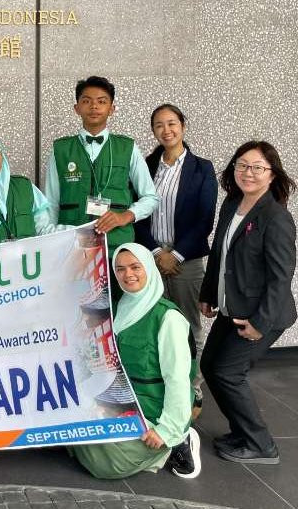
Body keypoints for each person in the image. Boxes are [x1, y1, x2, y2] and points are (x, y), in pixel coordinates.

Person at [198, 141, 297, 465]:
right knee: (211, 366)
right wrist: (209, 294)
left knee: (228, 372)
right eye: (242, 165)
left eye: (257, 167)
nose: (248, 173)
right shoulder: (232, 204)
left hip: (260, 314)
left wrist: (260, 323)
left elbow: (280, 278)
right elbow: (220, 254)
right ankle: (242, 432)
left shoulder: (276, 217)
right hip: (232, 307)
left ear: (272, 174)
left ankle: (260, 444)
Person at [70, 243, 201, 480]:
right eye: (120, 269)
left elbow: (178, 380)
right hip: (117, 403)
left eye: (135, 267)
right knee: (67, 428)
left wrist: (166, 429)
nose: (127, 274)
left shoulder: (167, 318)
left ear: (149, 268)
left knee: (109, 464)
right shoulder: (119, 309)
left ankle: (177, 440)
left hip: (151, 410)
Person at [133, 104, 218, 418]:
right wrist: (157, 253)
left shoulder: (202, 169)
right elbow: (138, 213)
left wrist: (176, 254)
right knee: (153, 323)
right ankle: (158, 387)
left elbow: (204, 219)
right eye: (159, 125)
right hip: (150, 256)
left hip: (187, 259)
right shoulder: (145, 165)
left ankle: (191, 390)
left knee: (188, 326)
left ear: (183, 126)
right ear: (153, 130)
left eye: (171, 123)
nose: (166, 130)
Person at [45, 76, 159, 255]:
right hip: (71, 247)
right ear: (77, 108)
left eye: (101, 101)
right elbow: (51, 202)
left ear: (112, 109)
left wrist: (124, 217)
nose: (94, 107)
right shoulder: (60, 149)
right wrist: (50, 243)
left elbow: (150, 197)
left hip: (116, 246)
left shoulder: (127, 147)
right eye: (86, 101)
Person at [0, 132, 54, 242]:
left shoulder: (24, 187)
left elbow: (44, 231)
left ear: (2, 156)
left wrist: (75, 235)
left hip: (26, 258)